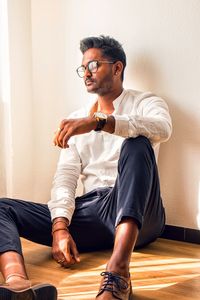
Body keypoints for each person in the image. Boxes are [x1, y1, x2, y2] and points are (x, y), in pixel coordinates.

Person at [0, 35, 172, 300]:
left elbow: (162, 128)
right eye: (83, 68)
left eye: (93, 66)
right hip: (94, 212)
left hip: (139, 214)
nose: (86, 74)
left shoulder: (146, 102)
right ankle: (18, 285)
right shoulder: (76, 119)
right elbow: (66, 177)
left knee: (137, 144)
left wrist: (98, 121)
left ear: (117, 68)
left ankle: (118, 272)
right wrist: (59, 227)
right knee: (2, 207)